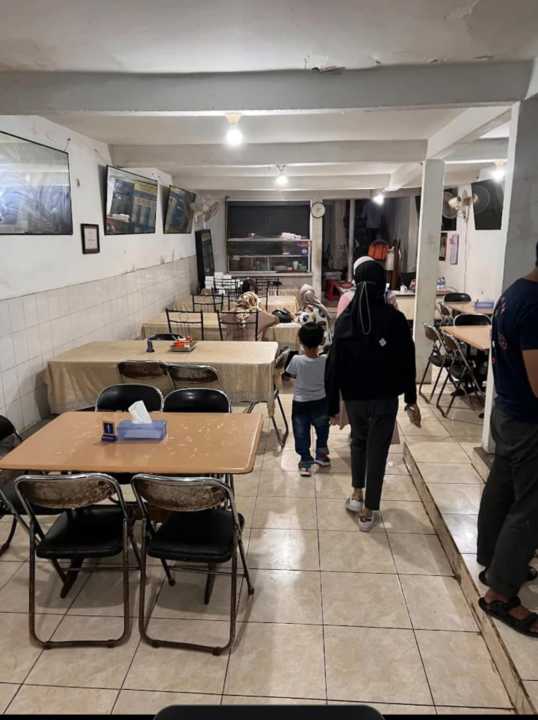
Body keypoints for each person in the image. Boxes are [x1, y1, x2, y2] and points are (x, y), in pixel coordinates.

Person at [326, 260, 421, 531]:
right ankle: (369, 511)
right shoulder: (396, 320)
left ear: (356, 286)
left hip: (354, 397)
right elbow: (408, 360)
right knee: (377, 451)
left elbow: (333, 366)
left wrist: (332, 405)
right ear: (382, 286)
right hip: (385, 398)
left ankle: (357, 494)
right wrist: (411, 399)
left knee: (358, 441)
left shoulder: (345, 320)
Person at [476, 242, 538, 638]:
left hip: (506, 410)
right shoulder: (535, 306)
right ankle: (500, 593)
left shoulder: (513, 293)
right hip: (529, 421)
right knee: (530, 505)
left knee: (500, 488)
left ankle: (492, 560)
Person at [284, 322, 330, 477]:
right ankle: (321, 456)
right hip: (321, 401)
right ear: (321, 341)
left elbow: (289, 376)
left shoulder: (296, 360)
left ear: (301, 341)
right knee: (322, 429)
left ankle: (305, 460)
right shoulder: (325, 360)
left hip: (300, 403)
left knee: (301, 432)